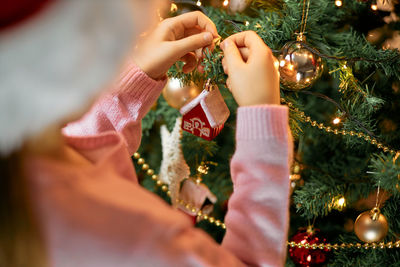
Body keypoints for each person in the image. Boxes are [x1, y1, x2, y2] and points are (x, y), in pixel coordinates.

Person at [0, 0, 292, 266]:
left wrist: (135, 79)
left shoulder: (23, 154)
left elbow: (73, 143)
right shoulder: (137, 238)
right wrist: (262, 112)